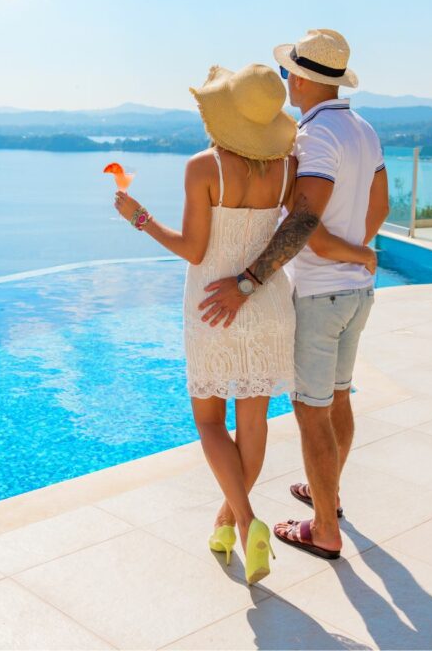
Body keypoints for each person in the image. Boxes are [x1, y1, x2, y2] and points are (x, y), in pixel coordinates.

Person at [113, 62, 374, 584]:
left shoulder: (202, 167)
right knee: (251, 424)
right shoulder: (286, 166)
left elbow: (194, 249)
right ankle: (227, 524)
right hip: (267, 303)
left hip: (214, 304)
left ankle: (249, 521)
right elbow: (302, 226)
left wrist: (139, 218)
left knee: (209, 422)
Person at [197, 29, 390, 561]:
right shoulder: (363, 129)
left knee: (311, 413)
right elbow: (380, 207)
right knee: (339, 398)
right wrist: (358, 251)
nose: (286, 84)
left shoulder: (314, 138)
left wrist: (247, 282)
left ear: (302, 79)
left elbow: (302, 222)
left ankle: (324, 527)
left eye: (287, 75)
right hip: (356, 294)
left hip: (319, 296)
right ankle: (327, 492)